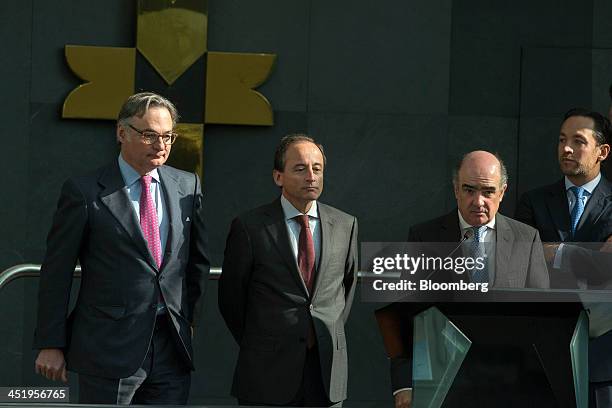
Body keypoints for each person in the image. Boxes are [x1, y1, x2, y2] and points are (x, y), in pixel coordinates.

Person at [33, 92, 210, 405]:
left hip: (170, 346)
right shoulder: (85, 192)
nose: (161, 145)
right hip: (108, 348)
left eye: (168, 136)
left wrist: (187, 320)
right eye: (149, 135)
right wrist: (51, 343)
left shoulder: (187, 186)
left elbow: (196, 261)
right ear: (121, 132)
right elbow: (57, 271)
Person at [388, 150, 549, 408]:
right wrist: (404, 384)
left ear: (503, 192)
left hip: (511, 386)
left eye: (487, 191)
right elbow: (405, 316)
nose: (478, 201)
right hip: (443, 382)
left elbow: (543, 320)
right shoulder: (425, 237)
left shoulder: (525, 238)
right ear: (455, 189)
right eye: (469, 190)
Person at [218, 134, 358, 407]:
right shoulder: (250, 227)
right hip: (266, 373)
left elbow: (346, 288)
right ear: (278, 176)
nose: (311, 176)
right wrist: (264, 341)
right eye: (300, 168)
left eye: (317, 169)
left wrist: (324, 330)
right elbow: (231, 299)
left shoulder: (346, 224)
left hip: (326, 373)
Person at [516, 108, 612, 407]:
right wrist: (583, 256)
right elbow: (520, 264)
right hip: (541, 356)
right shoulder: (533, 202)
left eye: (578, 141)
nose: (566, 148)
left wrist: (552, 252)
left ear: (602, 151)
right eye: (561, 140)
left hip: (604, 356)